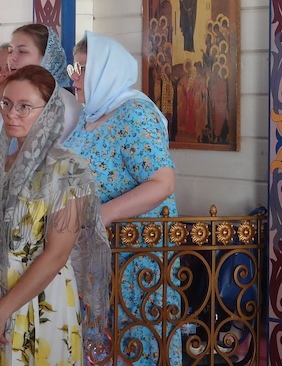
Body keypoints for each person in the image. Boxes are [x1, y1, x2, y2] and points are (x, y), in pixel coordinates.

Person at [0, 65, 110, 365]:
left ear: (49, 111)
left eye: (24, 106)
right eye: (6, 103)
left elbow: (56, 255)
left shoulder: (68, 170)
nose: (11, 114)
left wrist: (0, 314)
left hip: (43, 300)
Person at [63, 31, 181, 366]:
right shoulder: (89, 115)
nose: (75, 77)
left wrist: (102, 214)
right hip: (95, 253)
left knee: (136, 344)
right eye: (73, 68)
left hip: (137, 254)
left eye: (83, 69)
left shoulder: (134, 113)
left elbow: (162, 182)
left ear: (106, 71)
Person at [0, 24, 80, 176]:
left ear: (47, 58)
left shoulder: (64, 104)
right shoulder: (9, 99)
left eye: (22, 51)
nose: (12, 58)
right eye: (11, 50)